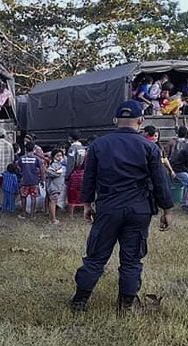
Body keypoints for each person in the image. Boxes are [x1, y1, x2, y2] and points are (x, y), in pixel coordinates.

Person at [70, 101, 174, 312]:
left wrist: (87, 204)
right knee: (132, 259)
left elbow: (89, 178)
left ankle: (80, 300)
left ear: (115, 120)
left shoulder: (99, 145)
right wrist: (167, 210)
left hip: (108, 208)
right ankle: (126, 303)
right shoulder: (150, 147)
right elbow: (160, 181)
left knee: (96, 257)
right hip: (139, 209)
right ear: (141, 121)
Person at [17, 142, 44, 218]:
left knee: (23, 197)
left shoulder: (22, 158)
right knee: (33, 197)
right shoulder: (36, 159)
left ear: (25, 149)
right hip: (34, 181)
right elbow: (42, 169)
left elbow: (18, 167)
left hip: (24, 181)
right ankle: (32, 215)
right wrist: (42, 179)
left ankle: (23, 214)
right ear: (33, 149)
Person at [0, 128, 14, 210]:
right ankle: (6, 204)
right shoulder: (9, 145)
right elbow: (12, 158)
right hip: (7, 171)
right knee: (6, 188)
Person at [65, 130, 87, 217]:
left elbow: (70, 164)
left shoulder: (72, 149)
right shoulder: (83, 148)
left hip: (74, 174)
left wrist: (67, 176)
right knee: (82, 193)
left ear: (71, 138)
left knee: (72, 194)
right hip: (83, 173)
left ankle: (70, 215)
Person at [46, 149, 66, 224]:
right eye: (58, 156)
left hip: (58, 186)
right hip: (54, 186)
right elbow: (49, 172)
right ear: (53, 156)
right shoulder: (54, 165)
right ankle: (53, 220)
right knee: (53, 202)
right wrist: (57, 174)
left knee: (54, 201)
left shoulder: (60, 164)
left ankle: (53, 218)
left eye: (61, 155)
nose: (60, 157)